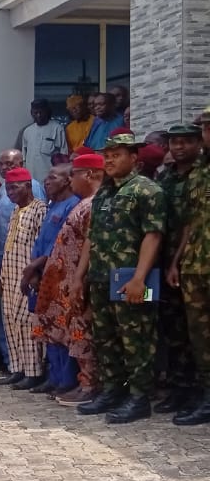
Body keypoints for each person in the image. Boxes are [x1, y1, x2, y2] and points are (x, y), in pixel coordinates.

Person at [80, 132, 165, 423]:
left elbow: (153, 235)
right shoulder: (104, 192)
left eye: (117, 155)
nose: (110, 160)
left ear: (133, 157)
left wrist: (140, 278)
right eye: (107, 156)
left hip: (132, 277)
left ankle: (139, 397)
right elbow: (92, 236)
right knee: (105, 338)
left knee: (136, 338)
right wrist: (80, 276)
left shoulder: (147, 190)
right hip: (101, 277)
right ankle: (112, 390)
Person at [34, 153, 103, 406]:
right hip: (67, 285)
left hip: (80, 283)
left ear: (89, 175)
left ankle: (89, 386)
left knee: (84, 334)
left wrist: (79, 280)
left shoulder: (94, 205)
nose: (71, 180)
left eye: (73, 175)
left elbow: (90, 246)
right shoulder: (83, 204)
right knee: (74, 334)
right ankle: (83, 382)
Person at [154, 125, 203, 415]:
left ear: (198, 143)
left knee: (196, 332)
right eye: (175, 142)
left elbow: (191, 223)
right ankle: (178, 389)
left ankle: (197, 392)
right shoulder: (166, 177)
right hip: (163, 263)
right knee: (172, 329)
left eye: (186, 142)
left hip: (192, 263)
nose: (179, 147)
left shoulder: (201, 175)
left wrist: (176, 261)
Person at [21, 164, 80, 396]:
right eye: (46, 177)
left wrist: (33, 267)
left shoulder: (73, 205)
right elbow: (41, 242)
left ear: (67, 180)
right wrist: (35, 271)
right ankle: (54, 377)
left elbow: (59, 244)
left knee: (62, 329)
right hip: (43, 275)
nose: (47, 181)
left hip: (61, 275)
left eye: (53, 177)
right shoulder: (52, 205)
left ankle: (67, 379)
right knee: (48, 328)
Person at [170, 120, 210, 425]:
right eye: (206, 128)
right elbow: (190, 222)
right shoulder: (199, 174)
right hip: (196, 265)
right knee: (199, 337)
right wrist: (176, 262)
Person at [0, 167, 47, 389]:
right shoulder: (16, 211)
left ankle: (33, 372)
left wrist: (35, 275)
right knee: (10, 322)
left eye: (14, 188)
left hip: (27, 277)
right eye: (8, 188)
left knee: (27, 323)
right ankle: (17, 369)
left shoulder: (39, 209)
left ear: (28, 186)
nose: (10, 193)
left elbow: (41, 246)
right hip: (9, 276)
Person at [17, 99, 67, 181]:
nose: (38, 115)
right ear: (32, 113)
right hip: (31, 178)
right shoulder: (27, 131)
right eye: (35, 113)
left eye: (41, 112)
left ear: (47, 112)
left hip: (51, 178)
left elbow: (64, 154)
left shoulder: (57, 128)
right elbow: (24, 157)